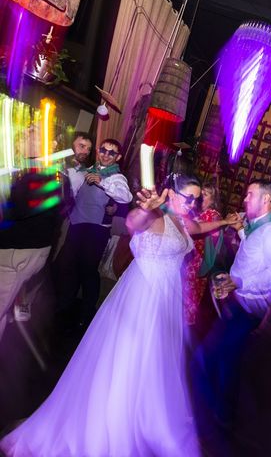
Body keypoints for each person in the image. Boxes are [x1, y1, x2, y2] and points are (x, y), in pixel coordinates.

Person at [0, 174, 240, 457]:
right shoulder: (154, 216)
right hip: (142, 301)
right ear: (170, 194)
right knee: (128, 361)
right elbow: (132, 223)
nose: (193, 203)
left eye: (196, 198)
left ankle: (142, 414)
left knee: (153, 363)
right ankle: (113, 423)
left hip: (165, 303)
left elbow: (198, 227)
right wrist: (147, 208)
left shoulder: (182, 220)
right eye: (188, 196)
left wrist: (225, 222)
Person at [191, 179, 271, 432]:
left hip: (250, 309)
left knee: (211, 358)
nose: (245, 199)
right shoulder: (261, 226)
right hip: (240, 302)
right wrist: (240, 230)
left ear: (267, 199)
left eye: (250, 194)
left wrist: (238, 281)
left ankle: (215, 417)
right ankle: (220, 413)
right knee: (224, 359)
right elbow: (252, 250)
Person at [53, 138, 132, 330]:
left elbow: (125, 196)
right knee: (68, 267)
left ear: (118, 157)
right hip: (76, 225)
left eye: (111, 153)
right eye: (103, 150)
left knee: (88, 271)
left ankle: (86, 315)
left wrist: (102, 182)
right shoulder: (87, 171)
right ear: (98, 151)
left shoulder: (116, 178)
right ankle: (64, 307)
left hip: (96, 230)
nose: (106, 154)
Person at [0, 171, 61, 339]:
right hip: (34, 250)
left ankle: (21, 310)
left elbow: (18, 210)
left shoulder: (38, 179)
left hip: (19, 251)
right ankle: (19, 311)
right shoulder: (54, 179)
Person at [183, 179, 224, 326]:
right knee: (185, 290)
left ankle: (186, 324)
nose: (202, 197)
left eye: (205, 195)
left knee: (191, 292)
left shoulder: (212, 214)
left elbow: (210, 238)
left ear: (213, 199)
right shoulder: (200, 211)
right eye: (202, 194)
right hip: (190, 257)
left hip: (198, 260)